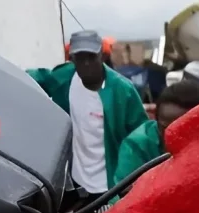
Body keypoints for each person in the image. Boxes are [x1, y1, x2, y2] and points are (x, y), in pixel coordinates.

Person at [28, 30, 149, 202]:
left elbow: (141, 137)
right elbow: (35, 78)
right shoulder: (65, 77)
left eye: (91, 57)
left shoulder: (123, 91)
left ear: (102, 56)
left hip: (111, 183)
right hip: (76, 180)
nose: (86, 64)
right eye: (79, 58)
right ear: (72, 59)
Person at [112, 79, 199, 187]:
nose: (173, 134)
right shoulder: (137, 146)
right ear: (156, 122)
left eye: (184, 128)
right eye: (166, 128)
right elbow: (124, 195)